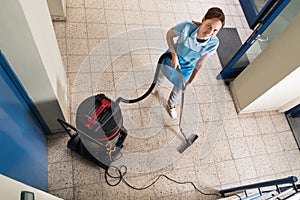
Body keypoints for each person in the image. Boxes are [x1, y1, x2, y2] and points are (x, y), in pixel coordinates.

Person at [155, 7, 225, 119]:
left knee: (179, 88)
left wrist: (190, 82)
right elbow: (169, 35)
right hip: (172, 59)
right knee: (161, 75)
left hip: (187, 68)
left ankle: (171, 104)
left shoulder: (213, 43)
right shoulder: (187, 26)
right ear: (203, 20)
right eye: (209, 26)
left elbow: (200, 63)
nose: (210, 32)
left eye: (215, 30)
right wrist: (174, 55)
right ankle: (155, 86)